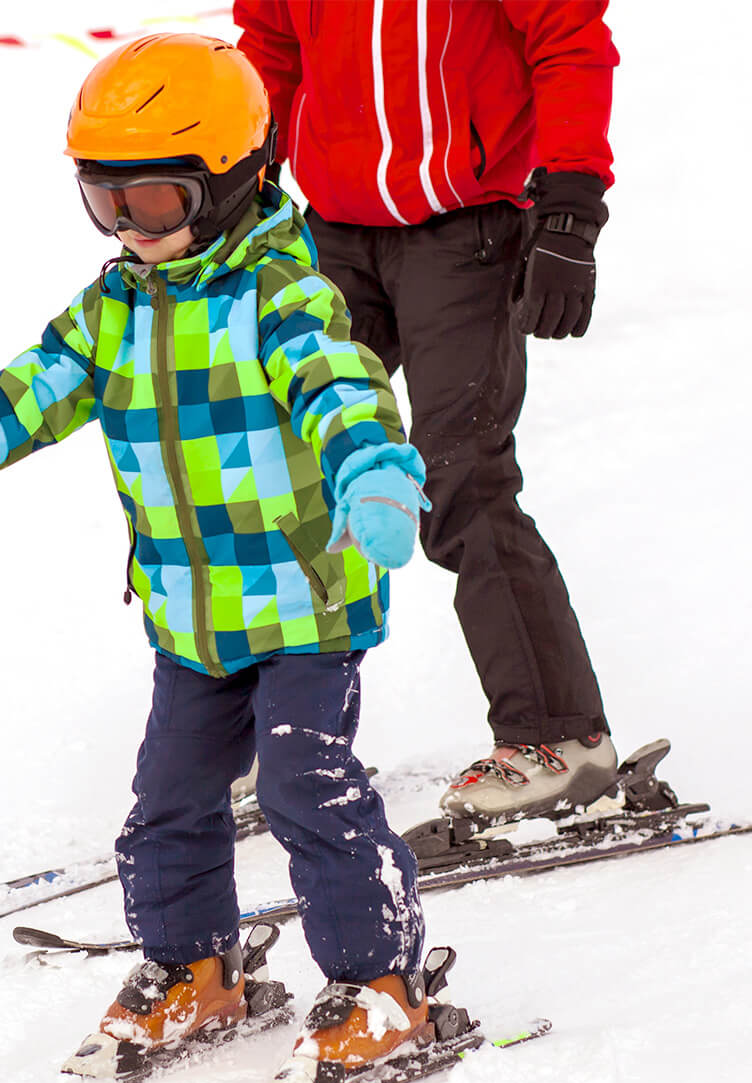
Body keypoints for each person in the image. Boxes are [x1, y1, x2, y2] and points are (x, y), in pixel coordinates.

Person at [0, 33, 435, 1083]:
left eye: (150, 203)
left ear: (236, 182)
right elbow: (19, 397)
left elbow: (342, 389)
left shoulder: (284, 297)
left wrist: (375, 478)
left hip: (305, 608)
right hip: (189, 620)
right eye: (103, 204)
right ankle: (194, 968)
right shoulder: (113, 312)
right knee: (167, 799)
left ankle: (381, 985)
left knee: (307, 788)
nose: (126, 230)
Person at [234, 1, 622, 824]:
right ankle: (293, 732)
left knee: (461, 481)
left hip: (466, 232)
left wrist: (570, 210)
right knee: (288, 467)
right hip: (333, 234)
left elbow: (568, 40)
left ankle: (561, 738)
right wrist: (245, 183)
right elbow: (270, 46)